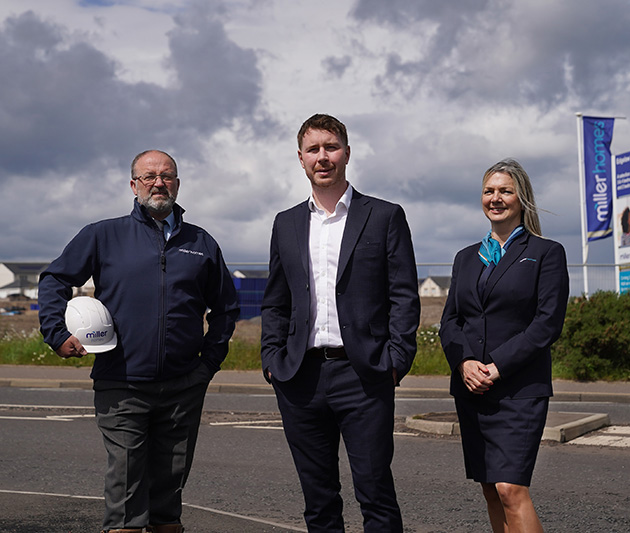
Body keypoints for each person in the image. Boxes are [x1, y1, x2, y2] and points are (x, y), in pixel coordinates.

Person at [38, 150, 240, 533]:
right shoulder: (103, 234)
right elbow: (53, 280)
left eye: (166, 176)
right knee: (127, 490)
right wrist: (57, 334)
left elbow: (226, 308)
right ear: (133, 185)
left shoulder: (202, 242)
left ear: (177, 184)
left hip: (183, 385)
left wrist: (208, 364)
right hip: (122, 383)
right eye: (148, 177)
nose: (158, 183)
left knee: (168, 493)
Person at [261, 114, 420, 532]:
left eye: (331, 147)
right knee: (318, 500)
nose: (323, 157)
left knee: (375, 493)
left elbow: (404, 294)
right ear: (300, 158)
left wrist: (397, 359)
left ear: (346, 152)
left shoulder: (384, 216)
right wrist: (271, 360)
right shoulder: (286, 223)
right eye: (313, 149)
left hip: (364, 374)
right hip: (299, 376)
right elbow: (276, 300)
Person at [439, 159, 569, 533]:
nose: (496, 199)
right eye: (489, 191)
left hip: (518, 390)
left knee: (511, 488)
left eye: (505, 191)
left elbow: (547, 324)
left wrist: (495, 366)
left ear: (521, 198)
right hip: (471, 387)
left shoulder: (546, 253)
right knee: (490, 490)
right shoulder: (466, 258)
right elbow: (450, 322)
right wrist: (464, 363)